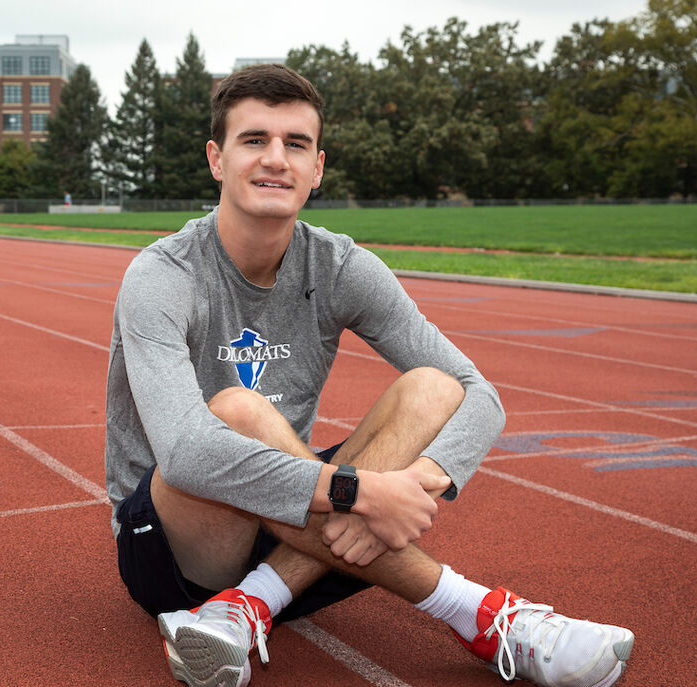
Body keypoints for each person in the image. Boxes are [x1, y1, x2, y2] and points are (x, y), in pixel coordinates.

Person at [105, 64, 634, 687]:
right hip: (173, 546)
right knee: (239, 412)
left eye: (295, 144)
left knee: (435, 387)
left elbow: (478, 395)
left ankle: (248, 607)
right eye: (255, 140)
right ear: (217, 159)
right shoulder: (163, 274)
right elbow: (189, 454)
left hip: (291, 531)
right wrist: (361, 495)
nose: (276, 159)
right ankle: (484, 615)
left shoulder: (339, 265)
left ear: (318, 167)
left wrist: (413, 483)